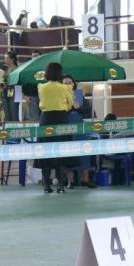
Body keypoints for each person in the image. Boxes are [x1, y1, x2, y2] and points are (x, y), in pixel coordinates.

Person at [37, 62, 73, 194]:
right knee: (61, 151)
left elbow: (41, 103)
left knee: (45, 151)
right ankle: (61, 186)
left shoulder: (40, 87)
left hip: (45, 120)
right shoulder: (65, 88)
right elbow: (70, 105)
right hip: (61, 119)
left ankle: (47, 186)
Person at [63, 74, 95, 188]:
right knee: (68, 153)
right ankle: (70, 181)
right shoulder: (59, 97)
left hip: (80, 129)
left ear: (73, 84)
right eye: (65, 83)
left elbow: (89, 110)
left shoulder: (79, 94)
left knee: (84, 152)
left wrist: (78, 108)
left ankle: (85, 180)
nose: (67, 85)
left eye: (69, 82)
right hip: (66, 129)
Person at [1, 51, 19, 122]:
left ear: (13, 59)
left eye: (7, 58)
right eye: (5, 58)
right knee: (7, 115)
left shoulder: (18, 69)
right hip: (7, 91)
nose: (5, 60)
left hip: (16, 91)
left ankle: (15, 129)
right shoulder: (6, 69)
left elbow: (18, 83)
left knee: (14, 113)